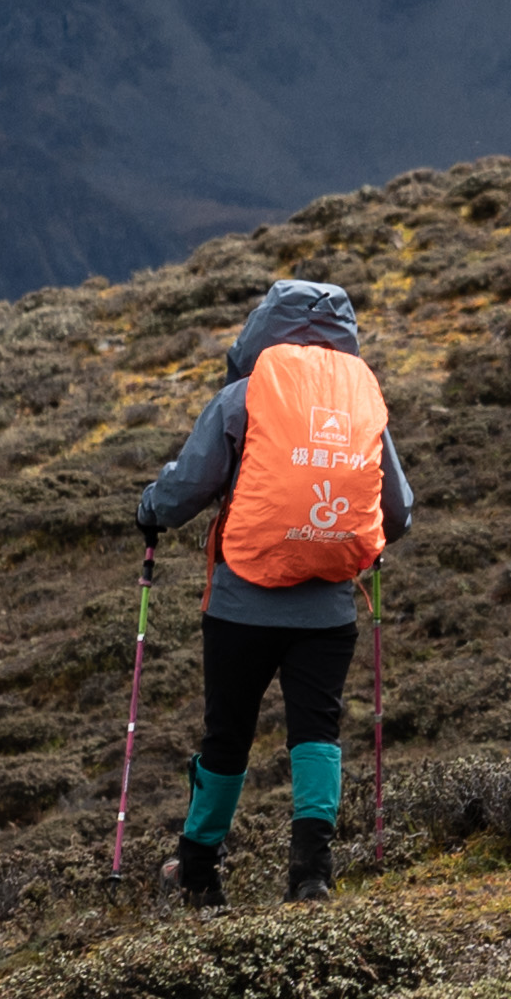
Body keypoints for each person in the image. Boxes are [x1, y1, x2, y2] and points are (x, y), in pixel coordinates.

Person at [131, 278, 422, 906]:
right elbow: (398, 513)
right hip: (329, 605)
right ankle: (311, 874)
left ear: (264, 327)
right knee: (316, 731)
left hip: (241, 602)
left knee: (227, 734)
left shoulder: (242, 397)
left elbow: (184, 491)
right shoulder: (362, 401)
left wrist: (149, 510)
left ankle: (200, 873)